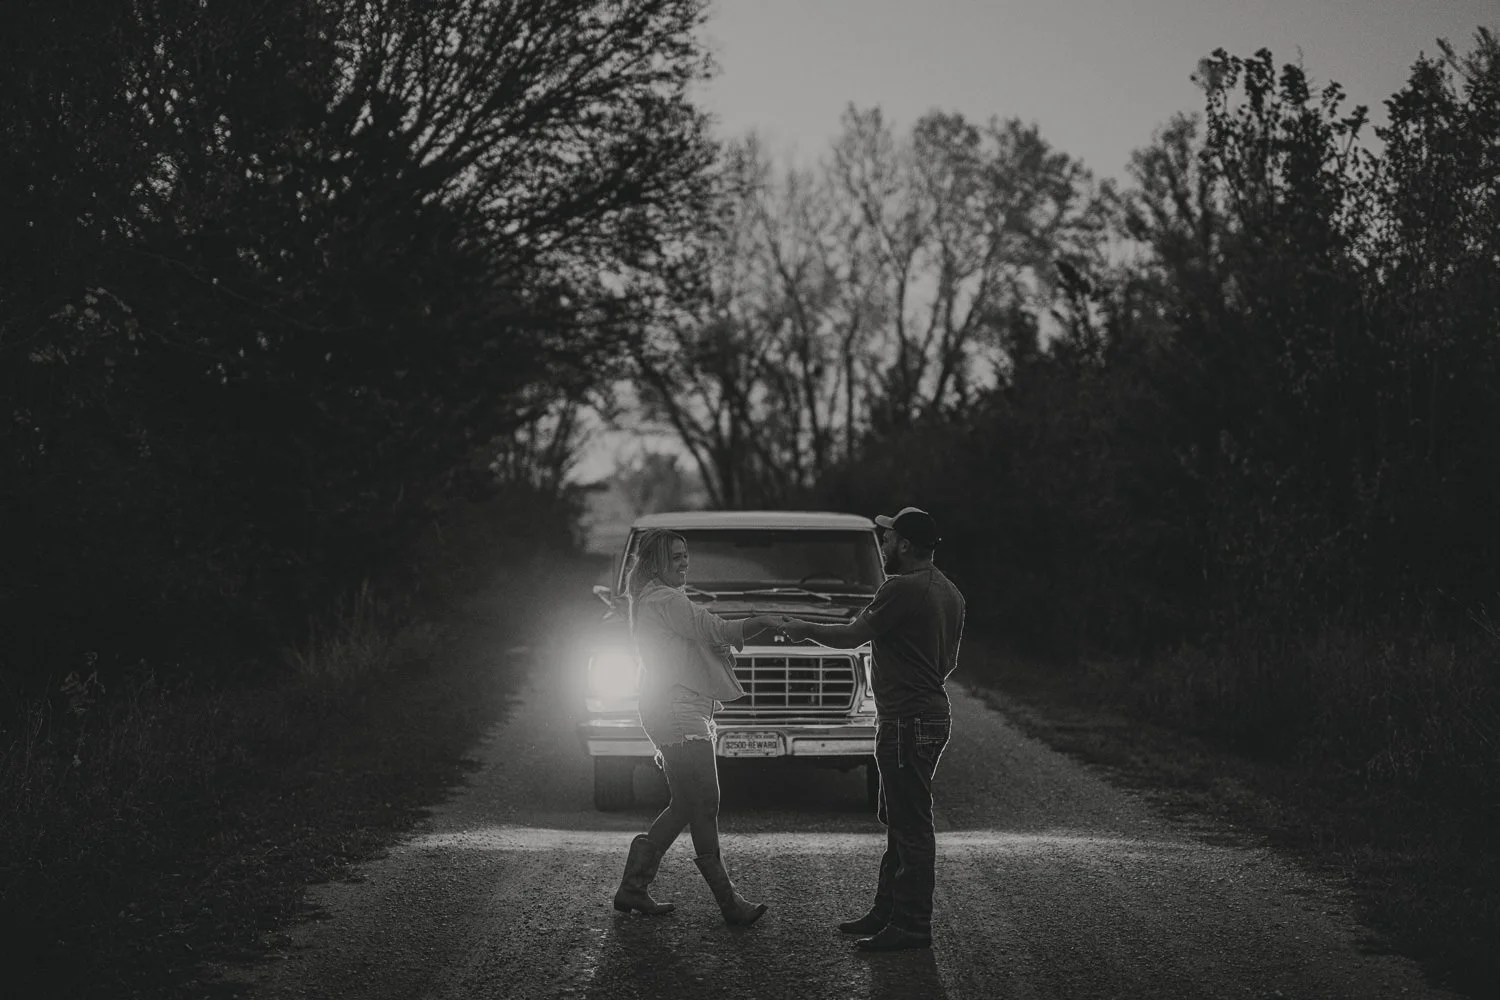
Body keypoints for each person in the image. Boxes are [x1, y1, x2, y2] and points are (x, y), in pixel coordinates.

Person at [778, 506, 965, 951]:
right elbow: (950, 661)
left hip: (906, 719)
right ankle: (886, 912)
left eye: (886, 538)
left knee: (912, 825)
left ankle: (913, 925)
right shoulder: (950, 593)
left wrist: (803, 628)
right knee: (900, 818)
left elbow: (851, 635)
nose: (881, 545)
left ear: (903, 545)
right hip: (928, 713)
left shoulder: (901, 588)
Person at [611, 527, 783, 925]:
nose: (684, 561)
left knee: (687, 803)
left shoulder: (660, 598)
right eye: (675, 556)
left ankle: (633, 887)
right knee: (705, 801)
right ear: (655, 563)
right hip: (676, 710)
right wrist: (762, 620)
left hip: (676, 706)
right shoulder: (666, 600)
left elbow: (696, 642)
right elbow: (714, 629)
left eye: (686, 554)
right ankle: (729, 903)